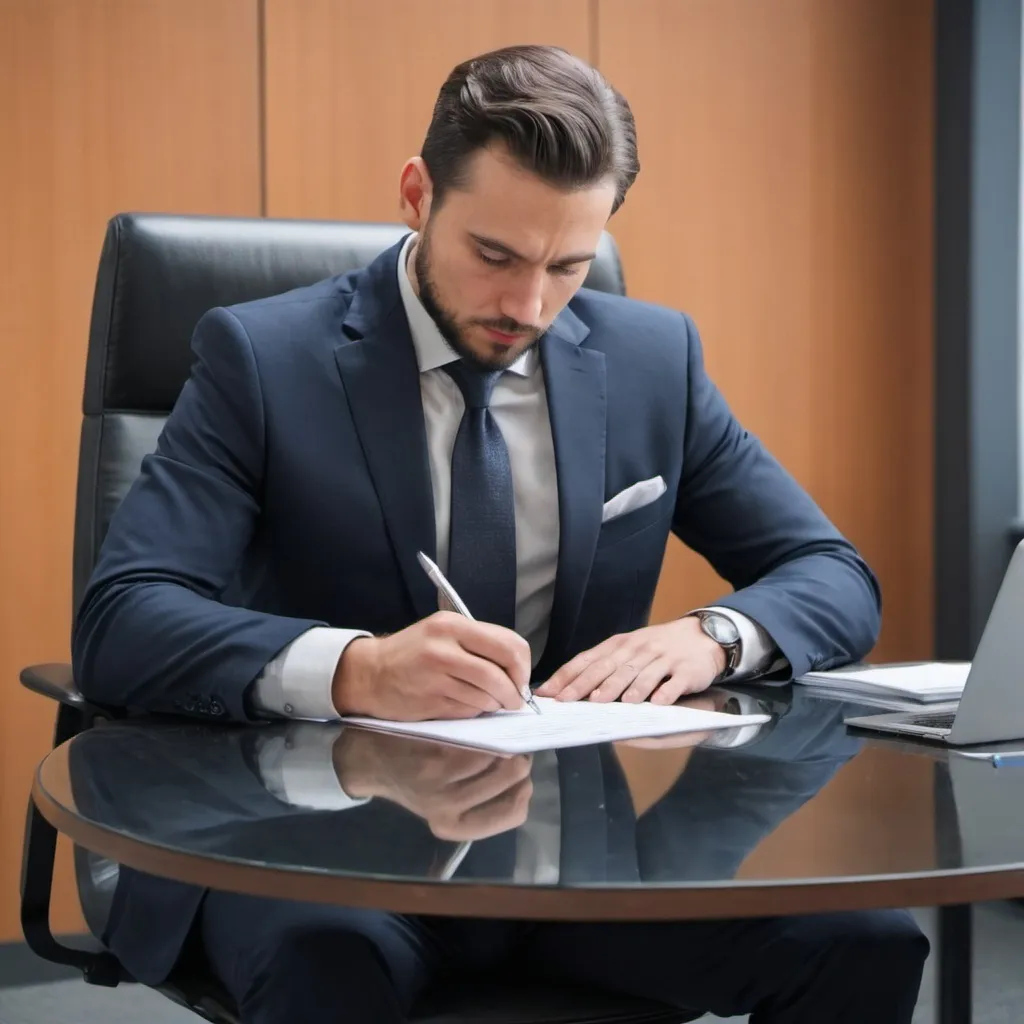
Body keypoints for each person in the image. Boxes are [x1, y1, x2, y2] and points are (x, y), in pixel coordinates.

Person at [73, 43, 928, 1024]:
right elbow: (122, 619)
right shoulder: (262, 359)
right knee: (328, 960)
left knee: (865, 940)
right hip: (317, 846)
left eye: (567, 264)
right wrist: (357, 669)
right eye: (495, 255)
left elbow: (828, 571)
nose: (527, 306)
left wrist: (711, 634)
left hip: (580, 852)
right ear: (415, 194)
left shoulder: (654, 361)